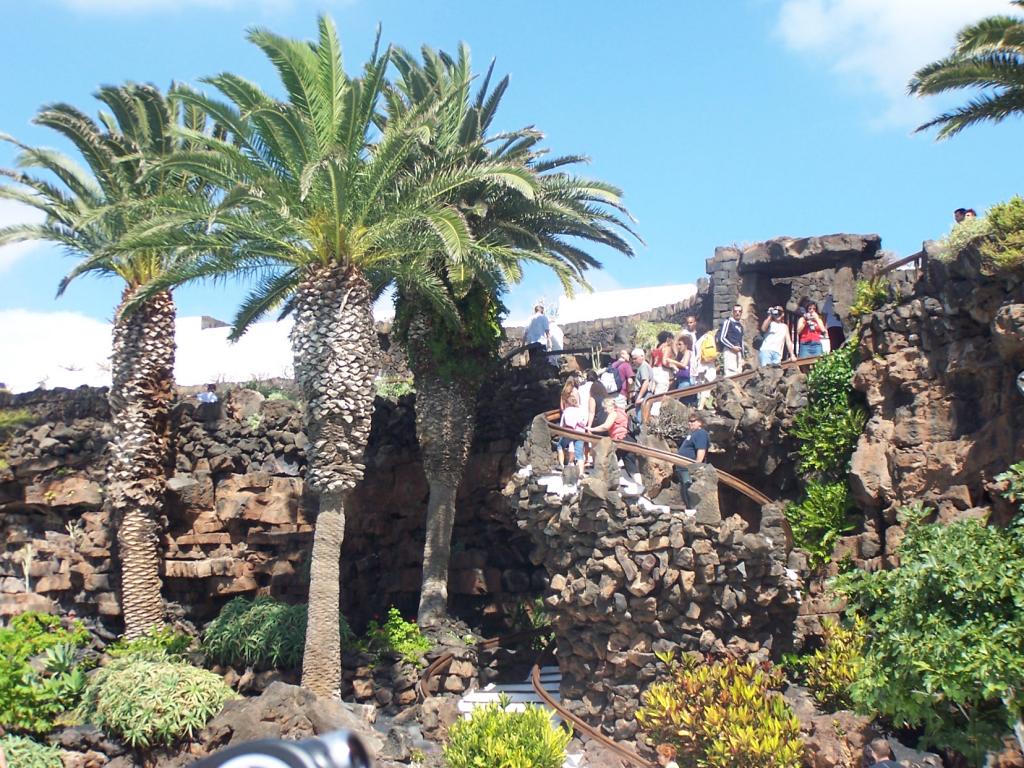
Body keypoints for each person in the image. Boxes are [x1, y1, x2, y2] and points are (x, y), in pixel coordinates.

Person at [589, 396, 641, 484]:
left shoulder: (613, 413)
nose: (605, 411)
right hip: (628, 439)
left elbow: (606, 426)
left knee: (608, 461)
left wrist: (592, 429)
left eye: (605, 408)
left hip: (620, 441)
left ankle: (603, 483)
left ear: (610, 406)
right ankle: (640, 485)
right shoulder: (621, 411)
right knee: (630, 465)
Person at [675, 415, 710, 508]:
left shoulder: (701, 433)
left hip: (689, 468)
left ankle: (693, 510)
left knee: (690, 488)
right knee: (685, 489)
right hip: (682, 467)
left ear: (700, 422)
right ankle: (689, 509)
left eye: (693, 421)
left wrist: (697, 465)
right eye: (689, 421)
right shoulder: (692, 434)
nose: (690, 423)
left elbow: (701, 449)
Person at [557, 392, 586, 467]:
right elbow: (583, 422)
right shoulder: (581, 410)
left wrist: (560, 433)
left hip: (568, 432)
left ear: (567, 403)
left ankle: (562, 465)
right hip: (580, 433)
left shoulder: (566, 411)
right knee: (579, 454)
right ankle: (581, 472)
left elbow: (562, 424)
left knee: (560, 445)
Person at [718, 304, 745, 376]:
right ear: (732, 312)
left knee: (739, 374)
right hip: (729, 351)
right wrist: (732, 347)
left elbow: (741, 341)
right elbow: (722, 338)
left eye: (739, 311)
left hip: (738, 352)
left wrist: (743, 356)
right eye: (735, 311)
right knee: (731, 374)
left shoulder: (740, 325)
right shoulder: (728, 322)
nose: (737, 313)